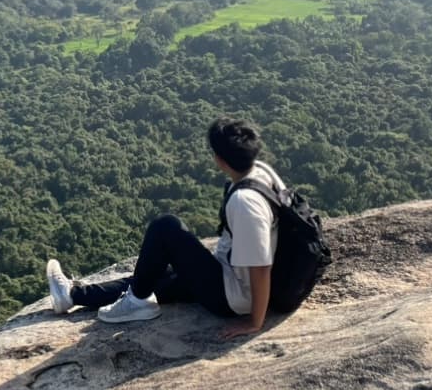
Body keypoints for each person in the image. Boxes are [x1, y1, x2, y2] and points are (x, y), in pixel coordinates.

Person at [46, 117, 285, 340]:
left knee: (166, 227)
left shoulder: (245, 202)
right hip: (234, 280)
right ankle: (71, 296)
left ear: (220, 159)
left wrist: (255, 322)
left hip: (233, 297)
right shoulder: (263, 173)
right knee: (153, 277)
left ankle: (137, 302)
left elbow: (260, 267)